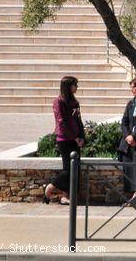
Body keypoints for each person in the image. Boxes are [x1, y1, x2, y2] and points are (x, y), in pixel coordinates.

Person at [44, 76, 85, 205]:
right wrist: (75, 137)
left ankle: (66, 196)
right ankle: (50, 187)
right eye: (75, 85)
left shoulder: (75, 102)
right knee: (68, 169)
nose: (77, 87)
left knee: (75, 169)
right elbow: (62, 123)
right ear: (68, 86)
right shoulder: (59, 102)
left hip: (76, 139)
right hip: (65, 139)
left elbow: (78, 120)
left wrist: (82, 137)